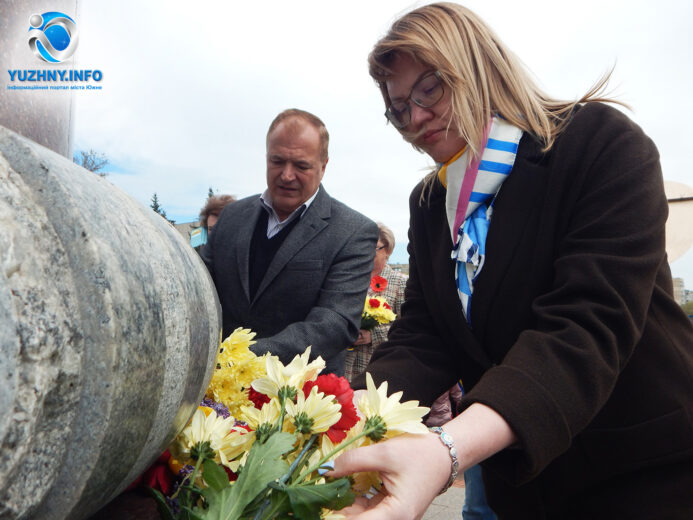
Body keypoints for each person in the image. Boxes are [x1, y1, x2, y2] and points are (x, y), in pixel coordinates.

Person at [331, 3, 693, 519]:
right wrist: (338, 420)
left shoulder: (598, 143)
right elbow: (425, 335)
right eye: (398, 108)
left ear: (475, 62)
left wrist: (446, 449)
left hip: (638, 473)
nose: (414, 118)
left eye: (428, 88)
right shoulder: (431, 203)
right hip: (522, 489)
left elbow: (586, 326)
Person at [202, 109, 378, 375]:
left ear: (324, 165)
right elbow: (200, 289)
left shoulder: (353, 231)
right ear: (266, 158)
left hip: (301, 398)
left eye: (301, 166)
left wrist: (242, 358)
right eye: (277, 161)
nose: (286, 175)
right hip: (218, 385)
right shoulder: (232, 217)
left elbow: (334, 323)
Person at [344, 222, 407, 382]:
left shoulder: (401, 282)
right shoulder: (348, 279)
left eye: (375, 247)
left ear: (388, 250)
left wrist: (373, 335)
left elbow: (407, 328)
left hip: (379, 366)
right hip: (345, 366)